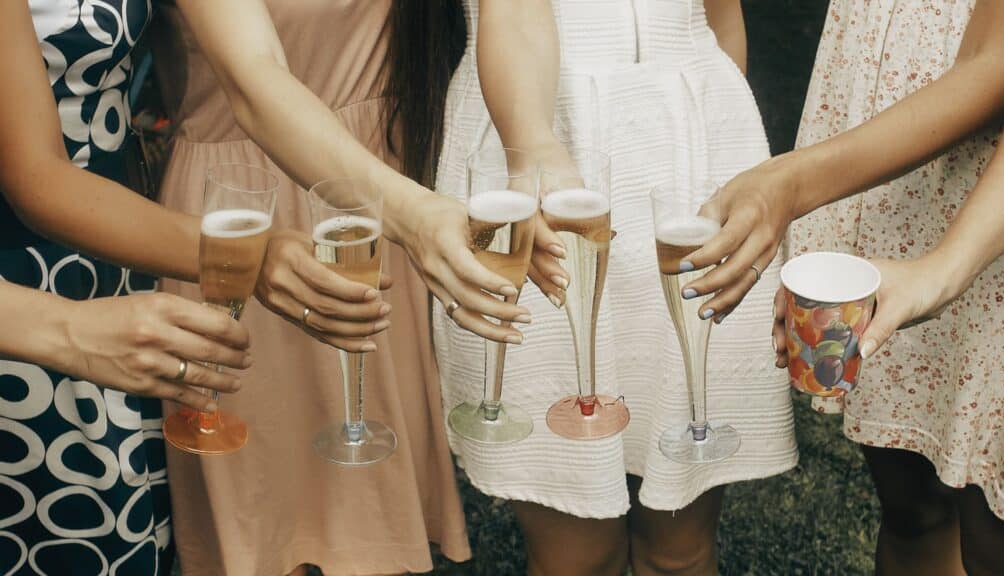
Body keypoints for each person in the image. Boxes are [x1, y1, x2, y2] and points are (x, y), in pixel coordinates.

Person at [0, 1, 389, 574]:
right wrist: (66, 329)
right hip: (24, 281)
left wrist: (416, 216)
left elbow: (255, 74)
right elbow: (36, 178)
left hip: (117, 247)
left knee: (121, 527)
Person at [148, 0, 524, 573]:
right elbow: (254, 80)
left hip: (373, 199)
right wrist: (415, 215)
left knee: (373, 516)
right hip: (249, 203)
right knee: (272, 532)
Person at [432, 1, 798, 574]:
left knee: (681, 548)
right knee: (577, 555)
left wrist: (720, 138)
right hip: (538, 134)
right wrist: (535, 151)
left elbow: (722, 13)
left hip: (693, 140)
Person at [686, 1, 1004, 574]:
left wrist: (791, 182)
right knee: (910, 507)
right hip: (884, 180)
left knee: (1002, 538)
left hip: (998, 211)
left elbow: (998, 57)